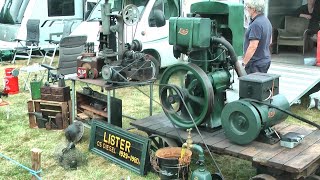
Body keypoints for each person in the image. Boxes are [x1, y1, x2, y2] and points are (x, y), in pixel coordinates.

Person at [242, 0, 272, 74]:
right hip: (265, 60)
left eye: (248, 7)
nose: (247, 9)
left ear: (253, 9)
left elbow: (253, 46)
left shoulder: (256, 24)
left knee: (251, 85)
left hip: (255, 64)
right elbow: (270, 41)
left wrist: (244, 63)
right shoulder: (266, 20)